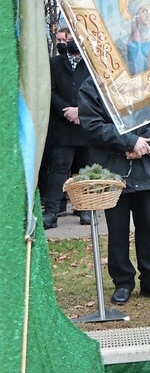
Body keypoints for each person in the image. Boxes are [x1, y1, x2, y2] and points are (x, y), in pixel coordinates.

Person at [77, 80, 150, 304]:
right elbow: (92, 124)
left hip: (146, 167)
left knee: (147, 227)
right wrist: (130, 142)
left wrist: (144, 145)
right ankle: (122, 282)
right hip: (113, 169)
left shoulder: (147, 77)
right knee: (117, 230)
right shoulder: (93, 85)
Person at [43, 27, 92, 229]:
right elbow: (50, 91)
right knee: (58, 170)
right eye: (68, 38)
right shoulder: (54, 63)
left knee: (85, 170)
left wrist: (81, 111)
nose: (70, 41)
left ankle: (85, 209)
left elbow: (99, 91)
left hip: (86, 126)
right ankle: (52, 212)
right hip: (62, 127)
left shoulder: (91, 65)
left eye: (74, 38)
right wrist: (67, 111)